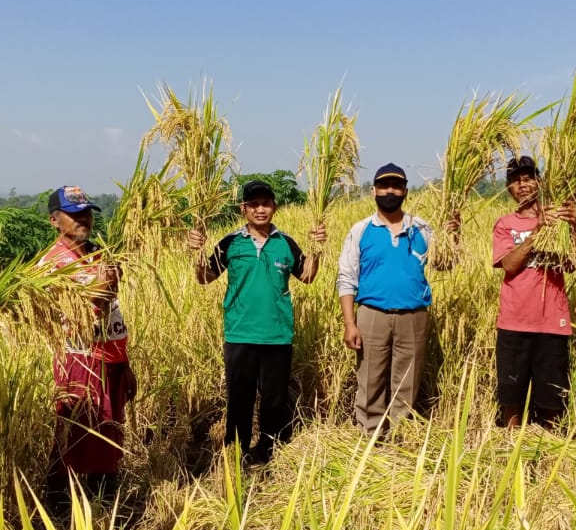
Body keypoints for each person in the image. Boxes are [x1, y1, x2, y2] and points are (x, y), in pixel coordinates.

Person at [187, 180, 326, 465]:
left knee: (274, 400)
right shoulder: (230, 243)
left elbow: (308, 276)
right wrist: (196, 252)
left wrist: (318, 247)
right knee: (240, 398)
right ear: (243, 209)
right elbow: (204, 278)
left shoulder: (285, 243)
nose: (260, 209)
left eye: (265, 203)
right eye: (254, 204)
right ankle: (235, 451)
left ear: (274, 207)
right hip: (240, 334)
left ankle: (268, 450)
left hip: (277, 334)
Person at [337, 163, 457, 435]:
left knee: (408, 379)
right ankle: (370, 435)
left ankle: (401, 437)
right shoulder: (361, 230)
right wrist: (349, 323)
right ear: (373, 191)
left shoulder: (422, 229)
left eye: (395, 186)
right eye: (383, 186)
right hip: (372, 314)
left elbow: (444, 264)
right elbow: (346, 278)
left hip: (413, 316)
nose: (389, 191)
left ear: (405, 190)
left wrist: (453, 236)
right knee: (370, 378)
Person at [42, 185, 137, 513]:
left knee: (108, 434)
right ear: (55, 220)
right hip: (78, 362)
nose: (83, 219)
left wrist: (124, 364)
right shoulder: (51, 264)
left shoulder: (98, 254)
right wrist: (102, 287)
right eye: (74, 214)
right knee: (77, 436)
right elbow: (80, 313)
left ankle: (104, 504)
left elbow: (113, 313)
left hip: (109, 359)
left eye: (87, 212)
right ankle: (62, 510)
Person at [491, 156, 576, 429]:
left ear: (539, 182)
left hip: (552, 321)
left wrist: (574, 226)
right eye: (516, 181)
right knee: (511, 392)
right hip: (515, 320)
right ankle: (511, 442)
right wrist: (537, 231)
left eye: (528, 178)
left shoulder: (559, 219)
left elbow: (571, 263)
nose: (523, 185)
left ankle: (547, 445)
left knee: (551, 394)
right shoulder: (505, 224)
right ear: (509, 188)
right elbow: (510, 264)